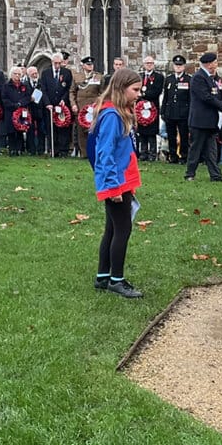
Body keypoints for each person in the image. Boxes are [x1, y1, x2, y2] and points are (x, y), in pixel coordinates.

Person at [87, 67, 144, 299]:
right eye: (135, 89)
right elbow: (105, 153)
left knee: (111, 229)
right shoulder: (112, 116)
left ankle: (103, 276)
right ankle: (117, 280)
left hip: (122, 179)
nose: (139, 94)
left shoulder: (118, 113)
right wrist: (113, 186)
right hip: (116, 183)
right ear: (122, 88)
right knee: (123, 229)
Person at [185, 53, 222, 182]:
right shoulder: (199, 77)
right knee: (196, 148)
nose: (216, 64)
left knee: (211, 150)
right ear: (209, 64)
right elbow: (206, 97)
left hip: (210, 120)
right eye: (215, 62)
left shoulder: (210, 78)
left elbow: (216, 94)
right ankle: (190, 174)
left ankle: (215, 175)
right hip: (199, 120)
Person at [41, 52, 74, 156]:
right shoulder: (45, 73)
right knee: (52, 128)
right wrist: (47, 103)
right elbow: (44, 90)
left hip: (62, 105)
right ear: (52, 62)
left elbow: (68, 88)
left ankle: (63, 150)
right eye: (55, 63)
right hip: (50, 105)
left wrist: (64, 100)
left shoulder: (67, 72)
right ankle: (54, 150)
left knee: (63, 127)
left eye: (59, 63)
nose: (57, 65)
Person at [71, 56, 104, 159]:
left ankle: (94, 152)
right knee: (81, 131)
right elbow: (72, 92)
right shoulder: (77, 77)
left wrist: (99, 104)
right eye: (88, 65)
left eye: (91, 65)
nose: (90, 66)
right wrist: (73, 104)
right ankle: (84, 153)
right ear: (83, 66)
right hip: (81, 107)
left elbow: (102, 92)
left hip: (93, 107)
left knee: (94, 130)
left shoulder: (98, 77)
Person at [162, 55, 191, 163]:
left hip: (183, 112)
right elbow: (166, 96)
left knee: (183, 136)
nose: (178, 67)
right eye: (176, 65)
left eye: (180, 65)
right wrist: (163, 111)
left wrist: (190, 113)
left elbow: (190, 98)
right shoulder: (169, 79)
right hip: (170, 112)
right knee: (171, 136)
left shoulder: (188, 79)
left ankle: (183, 156)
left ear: (184, 66)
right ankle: (173, 156)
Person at [137, 56, 164, 161]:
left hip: (152, 108)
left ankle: (152, 154)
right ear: (144, 64)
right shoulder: (140, 76)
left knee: (152, 132)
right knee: (142, 131)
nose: (149, 65)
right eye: (147, 63)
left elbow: (156, 92)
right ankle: (143, 153)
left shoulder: (158, 77)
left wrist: (143, 94)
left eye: (151, 63)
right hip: (141, 108)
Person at [2, 66, 30, 156]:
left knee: (20, 130)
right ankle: (12, 149)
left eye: (19, 74)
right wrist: (13, 105)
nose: (17, 76)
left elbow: (27, 97)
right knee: (11, 131)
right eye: (15, 74)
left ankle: (20, 149)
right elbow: (4, 98)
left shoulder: (24, 86)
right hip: (10, 111)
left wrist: (20, 104)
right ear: (11, 74)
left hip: (21, 111)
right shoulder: (6, 86)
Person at [23, 66, 48, 155]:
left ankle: (41, 149)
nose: (34, 75)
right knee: (30, 130)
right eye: (32, 73)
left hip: (40, 110)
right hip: (30, 110)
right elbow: (23, 97)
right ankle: (31, 149)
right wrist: (29, 99)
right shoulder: (25, 84)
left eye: (36, 73)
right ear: (28, 74)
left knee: (41, 130)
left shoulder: (42, 83)